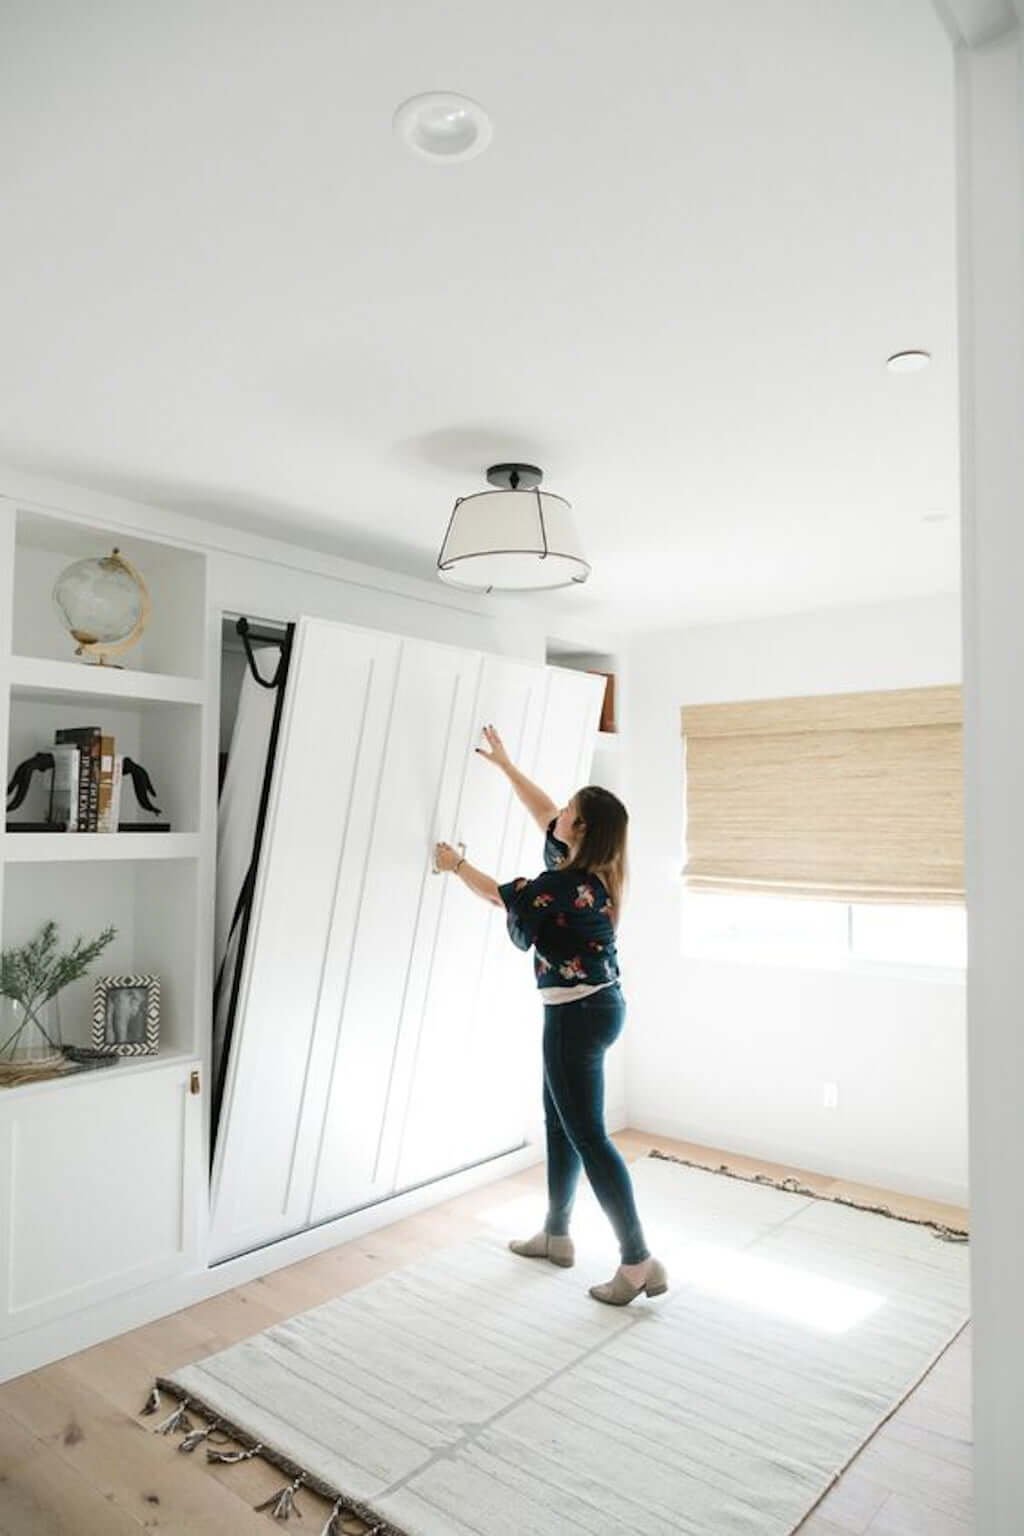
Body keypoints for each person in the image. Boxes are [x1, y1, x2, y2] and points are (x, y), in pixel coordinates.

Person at [434, 724, 667, 1307]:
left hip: (574, 1018)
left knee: (587, 1135)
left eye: (569, 810)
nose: (558, 811)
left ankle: (637, 1259)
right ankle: (557, 1234)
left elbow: (498, 896)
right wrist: (507, 766)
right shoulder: (599, 870)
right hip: (600, 1006)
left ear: (581, 829)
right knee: (560, 1121)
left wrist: (453, 864)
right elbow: (543, 810)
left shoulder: (559, 887)